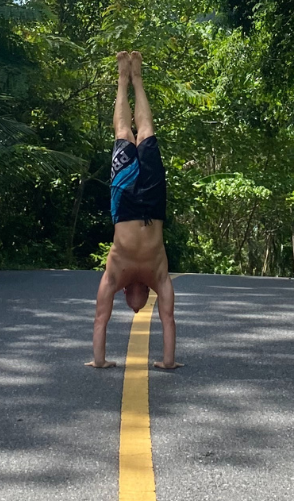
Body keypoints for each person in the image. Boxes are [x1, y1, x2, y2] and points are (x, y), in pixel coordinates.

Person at [87, 51, 182, 370]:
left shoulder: (143, 274)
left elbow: (165, 319)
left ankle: (129, 78)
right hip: (134, 205)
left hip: (143, 206)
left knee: (140, 133)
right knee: (129, 134)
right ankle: (128, 78)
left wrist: (168, 361)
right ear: (126, 291)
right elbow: (101, 319)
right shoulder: (123, 273)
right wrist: (98, 360)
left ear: (127, 292)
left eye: (132, 307)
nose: (136, 308)